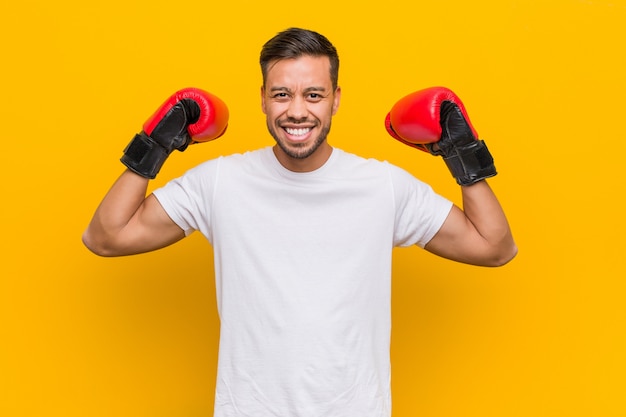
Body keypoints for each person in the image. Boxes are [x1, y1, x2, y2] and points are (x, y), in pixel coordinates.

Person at [83, 27, 516, 417]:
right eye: (281, 94)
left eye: (313, 94)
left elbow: (494, 247)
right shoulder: (221, 182)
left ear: (336, 99)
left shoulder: (381, 186)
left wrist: (462, 154)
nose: (296, 112)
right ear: (263, 98)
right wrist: (154, 145)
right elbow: (106, 236)